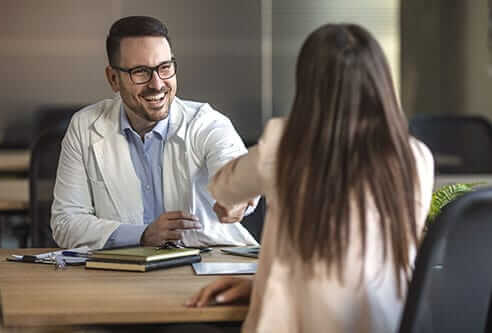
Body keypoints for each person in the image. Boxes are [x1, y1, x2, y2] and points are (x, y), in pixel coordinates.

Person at [186, 23, 435, 333]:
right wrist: (257, 285)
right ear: (381, 82)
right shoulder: (416, 156)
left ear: (308, 86)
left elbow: (223, 187)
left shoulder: (285, 142)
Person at [51, 16, 258, 250]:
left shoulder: (206, 122)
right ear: (113, 79)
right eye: (140, 72)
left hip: (207, 265)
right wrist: (143, 234)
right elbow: (65, 223)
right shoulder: (85, 127)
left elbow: (233, 168)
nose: (157, 84)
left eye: (165, 68)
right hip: (123, 271)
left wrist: (236, 194)